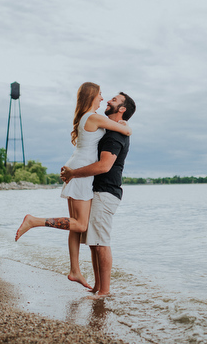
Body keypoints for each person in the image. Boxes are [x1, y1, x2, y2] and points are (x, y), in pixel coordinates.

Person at [15, 82, 131, 290]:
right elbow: (127, 130)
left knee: (76, 226)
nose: (103, 98)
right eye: (101, 95)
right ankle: (34, 221)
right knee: (80, 225)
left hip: (77, 168)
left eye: (109, 98)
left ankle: (75, 270)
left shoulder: (89, 117)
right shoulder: (95, 117)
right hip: (80, 172)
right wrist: (125, 125)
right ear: (92, 96)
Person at [60, 91, 135, 296]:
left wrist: (74, 173)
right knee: (94, 242)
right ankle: (97, 287)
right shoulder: (109, 129)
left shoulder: (115, 134)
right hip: (97, 190)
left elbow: (104, 166)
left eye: (114, 100)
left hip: (106, 191)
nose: (108, 100)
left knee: (101, 243)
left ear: (122, 109)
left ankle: (105, 292)